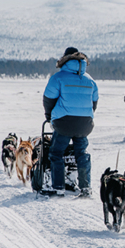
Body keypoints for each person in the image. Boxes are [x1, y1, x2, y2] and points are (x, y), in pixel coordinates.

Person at [43, 47, 99, 198]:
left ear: (65, 59)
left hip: (63, 122)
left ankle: (58, 187)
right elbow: (94, 103)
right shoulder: (90, 80)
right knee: (81, 153)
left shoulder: (58, 77)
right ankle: (85, 187)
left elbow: (49, 99)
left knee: (56, 153)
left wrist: (49, 116)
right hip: (84, 123)